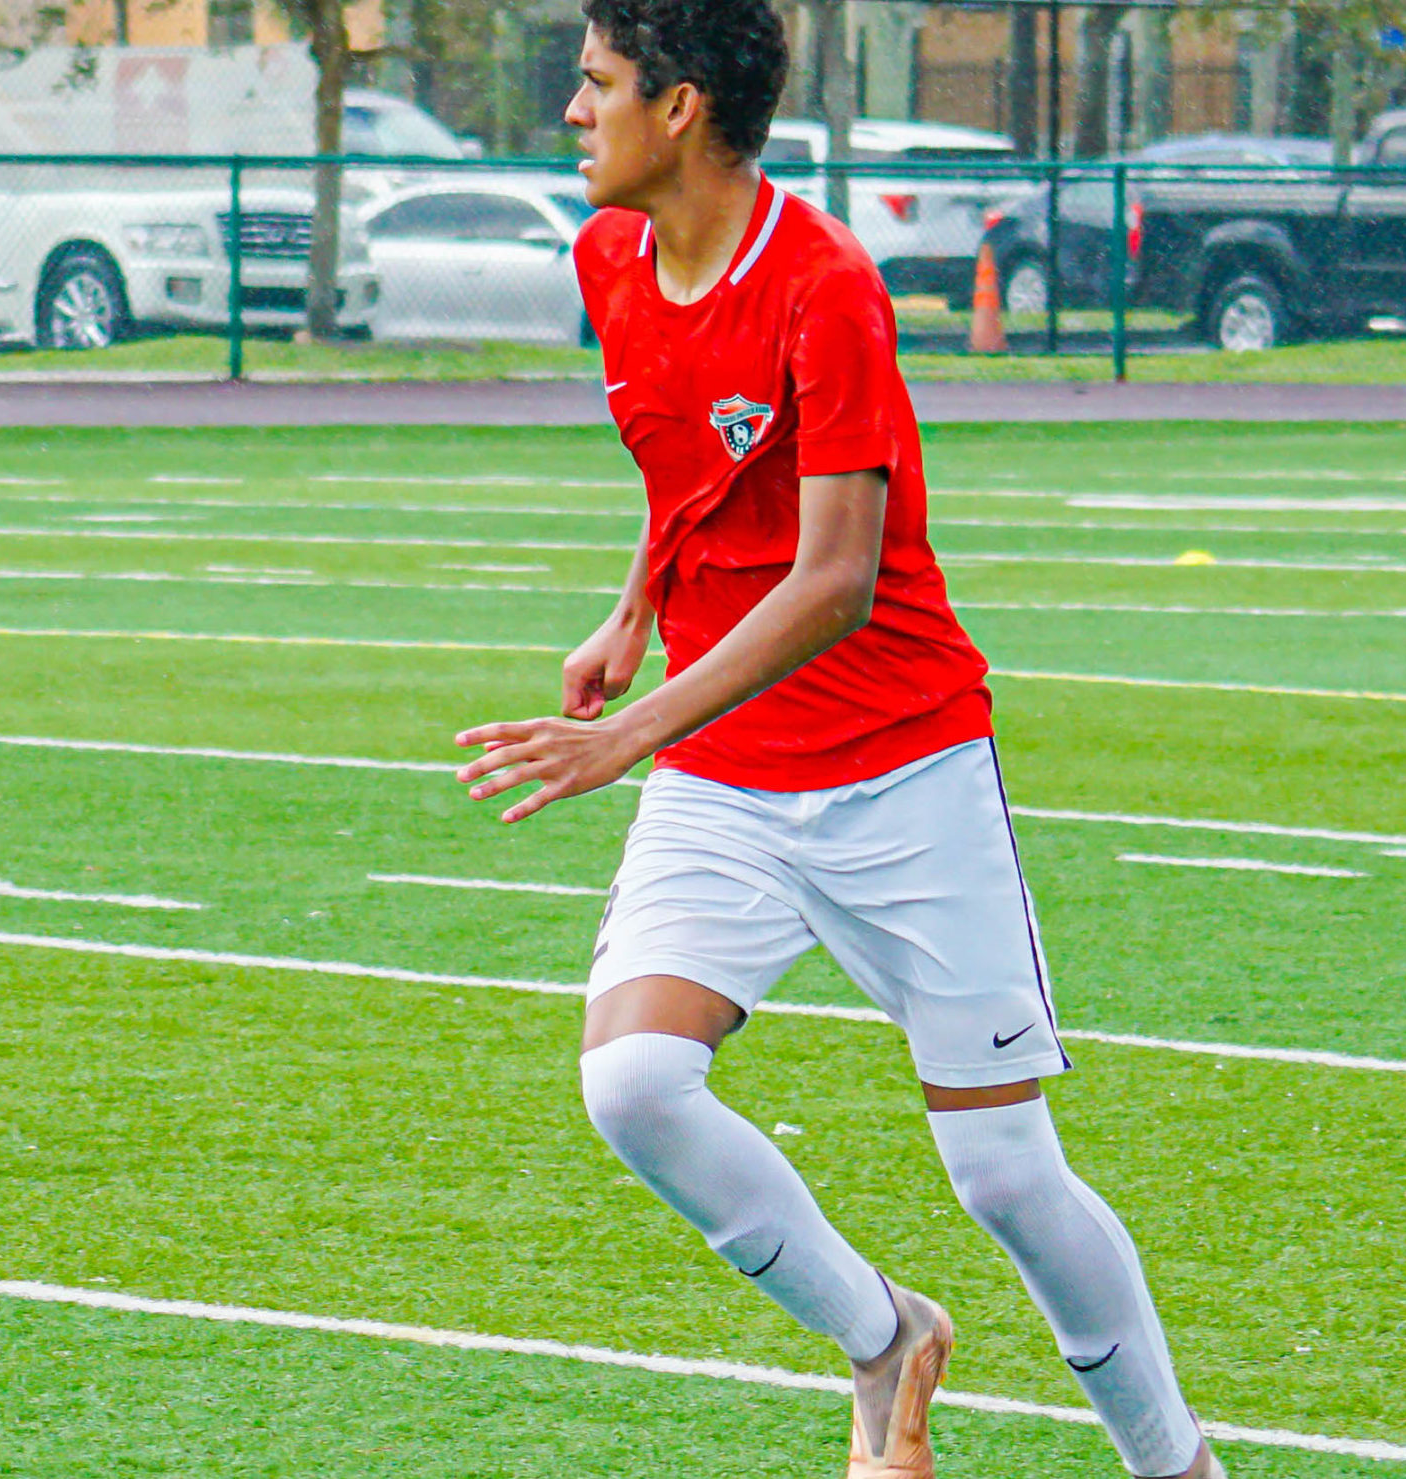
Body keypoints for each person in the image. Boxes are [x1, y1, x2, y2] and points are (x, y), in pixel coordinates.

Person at [449, 4, 1221, 1476]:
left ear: (679, 106)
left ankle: (1174, 1461)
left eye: (596, 84)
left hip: (903, 768)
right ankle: (885, 1338)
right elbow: (689, 462)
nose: (572, 113)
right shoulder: (608, 260)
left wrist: (630, 732)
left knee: (1004, 1175)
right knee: (633, 1084)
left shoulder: (825, 286)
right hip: (727, 776)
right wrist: (634, 609)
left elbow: (836, 578)